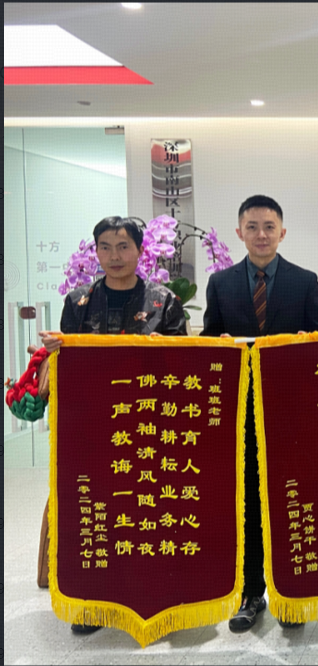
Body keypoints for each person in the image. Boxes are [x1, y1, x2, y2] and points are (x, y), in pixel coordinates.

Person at [38, 216, 187, 635]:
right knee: (97, 512)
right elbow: (67, 363)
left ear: (140, 251)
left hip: (148, 426)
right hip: (93, 427)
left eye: (123, 246)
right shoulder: (79, 301)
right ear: (96, 252)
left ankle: (157, 597)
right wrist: (55, 350)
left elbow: (185, 364)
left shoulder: (164, 301)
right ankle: (93, 601)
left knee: (148, 510)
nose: (114, 256)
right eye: (105, 247)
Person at [202, 195, 318, 633]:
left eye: (269, 227)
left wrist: (306, 342)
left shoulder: (305, 281)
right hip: (242, 414)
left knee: (294, 498)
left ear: (282, 232)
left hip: (292, 412)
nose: (261, 235)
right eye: (253, 227)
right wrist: (218, 345)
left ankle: (295, 592)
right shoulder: (220, 283)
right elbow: (209, 342)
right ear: (239, 232)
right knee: (250, 503)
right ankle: (251, 593)